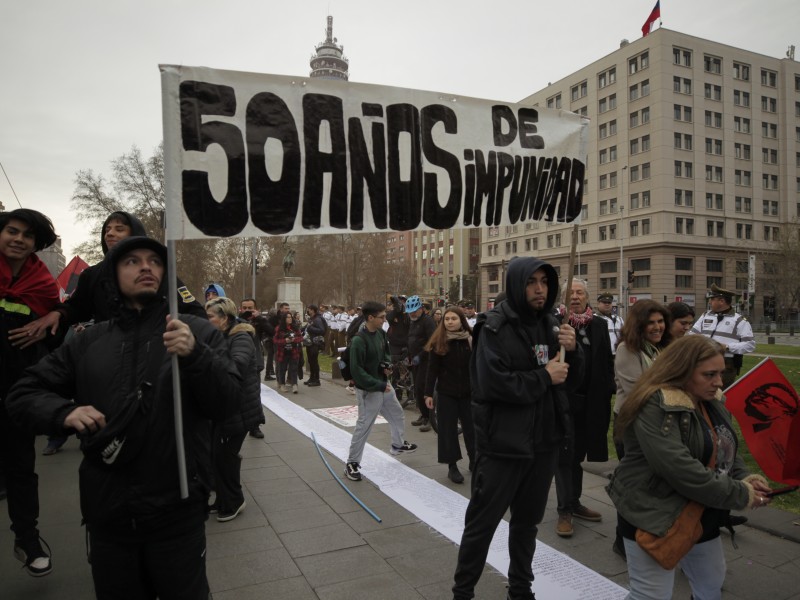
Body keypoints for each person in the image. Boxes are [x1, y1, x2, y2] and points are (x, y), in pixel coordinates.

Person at [7, 236, 242, 597]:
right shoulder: (87, 342)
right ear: (113, 276)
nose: (146, 266)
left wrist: (197, 357)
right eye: (131, 261)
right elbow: (22, 394)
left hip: (177, 513)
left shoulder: (196, 331)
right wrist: (64, 412)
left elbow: (229, 403)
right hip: (108, 516)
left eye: (155, 261)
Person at [452, 257, 583, 600]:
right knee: (482, 525)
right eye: (531, 282)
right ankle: (463, 591)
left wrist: (574, 350)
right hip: (502, 445)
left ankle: (521, 588)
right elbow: (492, 384)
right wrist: (544, 376)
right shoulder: (493, 327)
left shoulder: (554, 325)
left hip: (543, 443)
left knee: (527, 525)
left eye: (544, 282)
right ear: (515, 284)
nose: (539, 289)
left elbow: (569, 381)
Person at [606, 335, 773, 600]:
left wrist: (745, 478)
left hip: (699, 512)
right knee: (651, 595)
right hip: (653, 514)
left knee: (710, 584)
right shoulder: (655, 404)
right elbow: (679, 469)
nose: (719, 382)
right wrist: (740, 493)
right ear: (681, 370)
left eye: (721, 373)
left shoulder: (711, 399)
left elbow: (725, 446)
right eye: (709, 374)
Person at [0, 208, 60, 576]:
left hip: (16, 393)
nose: (18, 239)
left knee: (21, 469)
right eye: (12, 231)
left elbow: (57, 334)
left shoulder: (44, 285)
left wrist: (53, 318)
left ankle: (28, 538)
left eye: (27, 236)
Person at [553, 279, 615, 538]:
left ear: (588, 298)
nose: (575, 297)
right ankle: (564, 509)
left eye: (579, 293)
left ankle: (575, 502)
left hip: (591, 403)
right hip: (565, 401)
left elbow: (604, 363)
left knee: (578, 455)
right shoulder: (555, 324)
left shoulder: (600, 325)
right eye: (570, 293)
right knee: (565, 456)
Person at [611, 298, 672, 557]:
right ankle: (622, 541)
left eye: (661, 322)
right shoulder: (628, 349)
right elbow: (641, 390)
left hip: (654, 424)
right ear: (639, 325)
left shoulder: (658, 348)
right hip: (631, 425)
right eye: (651, 323)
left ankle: (645, 535)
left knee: (649, 485)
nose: (657, 327)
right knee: (633, 486)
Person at [344, 301, 417, 482]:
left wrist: (387, 366)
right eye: (382, 317)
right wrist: (377, 384)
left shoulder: (381, 333)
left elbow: (385, 352)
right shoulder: (359, 341)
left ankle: (397, 444)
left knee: (397, 414)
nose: (385, 319)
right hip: (369, 390)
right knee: (364, 426)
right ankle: (352, 463)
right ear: (370, 318)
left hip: (383, 385)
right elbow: (357, 371)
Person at [206, 297, 265, 521]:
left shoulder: (241, 336)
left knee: (224, 456)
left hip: (239, 408)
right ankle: (223, 498)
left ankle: (234, 500)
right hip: (224, 407)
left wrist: (204, 357)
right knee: (217, 455)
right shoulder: (219, 336)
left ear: (225, 318)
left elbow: (237, 365)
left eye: (210, 316)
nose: (207, 320)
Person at [423, 306, 475, 484]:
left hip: (469, 394)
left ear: (462, 320)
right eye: (447, 319)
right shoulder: (439, 341)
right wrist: (428, 394)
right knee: (448, 431)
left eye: (454, 319)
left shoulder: (470, 340)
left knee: (472, 429)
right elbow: (432, 370)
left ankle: (475, 461)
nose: (450, 322)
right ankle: (452, 466)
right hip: (446, 393)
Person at [690, 284, 755, 389]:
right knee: (701, 391)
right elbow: (691, 336)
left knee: (720, 394)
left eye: (712, 299)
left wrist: (727, 347)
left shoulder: (739, 320)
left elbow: (750, 345)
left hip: (726, 365)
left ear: (721, 301)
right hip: (702, 360)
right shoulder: (705, 315)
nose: (710, 302)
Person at [239, 298, 271, 438]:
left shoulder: (259, 322)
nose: (247, 310)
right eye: (244, 308)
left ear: (255, 308)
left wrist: (260, 319)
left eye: (250, 308)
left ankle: (255, 426)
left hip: (254, 363)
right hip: (237, 362)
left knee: (254, 395)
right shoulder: (235, 321)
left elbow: (271, 332)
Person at [406, 295, 436, 432]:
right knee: (417, 389)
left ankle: (430, 418)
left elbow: (432, 341)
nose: (412, 314)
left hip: (427, 360)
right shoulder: (413, 321)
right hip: (415, 360)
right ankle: (423, 414)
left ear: (421, 309)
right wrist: (408, 354)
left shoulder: (428, 321)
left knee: (423, 388)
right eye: (410, 312)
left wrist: (420, 355)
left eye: (414, 311)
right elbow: (411, 339)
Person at [273, 311, 302, 394]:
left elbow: (300, 338)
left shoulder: (295, 327)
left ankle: (295, 385)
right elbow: (275, 340)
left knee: (294, 369)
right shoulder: (279, 328)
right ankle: (282, 384)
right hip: (283, 352)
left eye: (290, 317)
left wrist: (294, 340)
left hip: (293, 351)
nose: (290, 319)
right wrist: (284, 340)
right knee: (282, 369)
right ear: (284, 319)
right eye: (288, 317)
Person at [304, 304, 326, 387]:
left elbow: (321, 330)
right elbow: (306, 327)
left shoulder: (317, 319)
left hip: (315, 343)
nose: (308, 311)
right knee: (310, 361)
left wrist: (310, 328)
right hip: (310, 342)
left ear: (313, 310)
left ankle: (316, 379)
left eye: (309, 309)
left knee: (314, 361)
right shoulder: (312, 318)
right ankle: (312, 378)